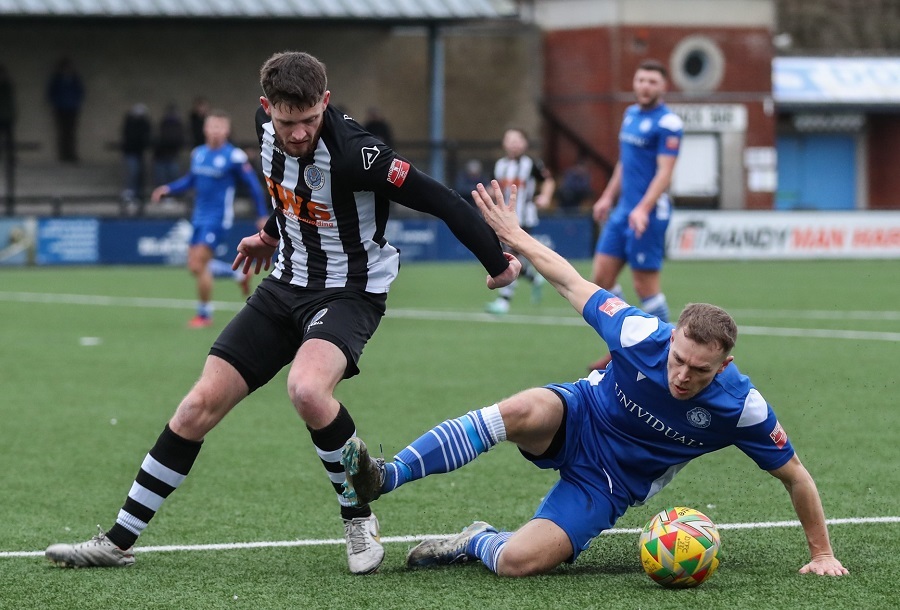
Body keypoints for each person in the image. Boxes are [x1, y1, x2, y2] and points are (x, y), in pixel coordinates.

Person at [44, 51, 519, 575]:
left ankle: (357, 516)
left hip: (349, 291)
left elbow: (443, 200)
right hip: (284, 285)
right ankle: (117, 540)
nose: (298, 134)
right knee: (196, 406)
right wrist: (269, 234)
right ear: (267, 108)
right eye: (288, 122)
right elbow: (289, 191)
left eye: (310, 120)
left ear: (326, 103)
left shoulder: (361, 155)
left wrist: (497, 264)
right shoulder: (264, 128)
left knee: (308, 390)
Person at [340, 180, 849, 580]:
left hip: (608, 484)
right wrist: (515, 236)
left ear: (725, 366)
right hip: (579, 414)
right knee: (519, 411)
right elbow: (571, 281)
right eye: (678, 359)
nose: (682, 375)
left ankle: (476, 539)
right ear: (671, 340)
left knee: (519, 563)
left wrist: (822, 553)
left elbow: (795, 475)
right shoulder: (640, 332)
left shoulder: (742, 407)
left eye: (700, 371)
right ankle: (387, 475)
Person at [588, 59, 683, 371]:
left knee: (645, 287)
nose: (645, 86)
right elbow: (624, 163)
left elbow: (665, 173)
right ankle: (624, 347)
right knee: (600, 280)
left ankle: (669, 350)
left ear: (663, 87)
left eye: (652, 81)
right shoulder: (629, 115)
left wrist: (643, 208)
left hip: (649, 214)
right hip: (622, 212)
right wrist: (607, 196)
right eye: (641, 80)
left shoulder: (668, 123)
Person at [148, 109, 269, 327]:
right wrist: (168, 188)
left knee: (199, 263)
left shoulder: (233, 156)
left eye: (220, 127)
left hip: (218, 218)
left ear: (226, 131)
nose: (215, 131)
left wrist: (261, 215)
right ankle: (239, 275)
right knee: (194, 266)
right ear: (205, 128)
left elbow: (253, 186)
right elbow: (190, 181)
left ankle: (204, 315)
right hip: (198, 217)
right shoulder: (199, 153)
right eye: (212, 126)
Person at [485, 127, 555, 314]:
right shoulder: (499, 165)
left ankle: (504, 301)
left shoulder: (531, 164)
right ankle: (534, 278)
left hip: (524, 218)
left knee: (508, 255)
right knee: (512, 257)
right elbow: (494, 188)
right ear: (504, 143)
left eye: (518, 140)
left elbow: (548, 181)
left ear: (524, 143)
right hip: (503, 219)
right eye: (510, 139)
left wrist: (545, 197)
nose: (514, 143)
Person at [46, 57, 85, 163]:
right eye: (65, 67)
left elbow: (80, 91)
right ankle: (63, 155)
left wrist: (76, 102)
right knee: (62, 132)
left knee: (71, 132)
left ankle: (71, 155)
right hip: (60, 108)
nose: (67, 69)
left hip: (72, 108)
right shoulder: (57, 79)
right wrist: (56, 103)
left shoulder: (74, 79)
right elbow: (51, 93)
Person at [120, 103, 152, 206]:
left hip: (139, 153)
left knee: (139, 175)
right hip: (130, 153)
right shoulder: (130, 122)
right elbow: (130, 137)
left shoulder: (144, 123)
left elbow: (146, 137)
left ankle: (137, 195)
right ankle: (130, 194)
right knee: (132, 173)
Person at [152, 102, 186, 187]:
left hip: (172, 155)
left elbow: (178, 140)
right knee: (161, 178)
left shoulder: (178, 126)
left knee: (172, 178)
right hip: (161, 155)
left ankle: (172, 195)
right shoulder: (163, 124)